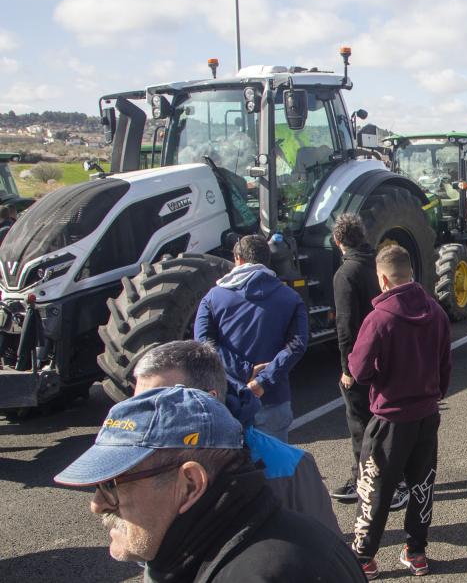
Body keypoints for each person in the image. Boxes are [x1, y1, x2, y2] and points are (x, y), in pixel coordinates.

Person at [54, 386, 363, 582]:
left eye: (112, 484)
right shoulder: (249, 539)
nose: (97, 505)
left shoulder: (260, 573)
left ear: (190, 483)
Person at [130, 340, 340, 535]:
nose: (145, 417)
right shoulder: (138, 464)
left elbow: (328, 557)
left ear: (208, 400)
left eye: (160, 404)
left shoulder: (290, 468)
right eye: (138, 405)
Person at [348, 245, 451, 578]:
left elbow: (360, 372)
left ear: (382, 278)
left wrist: (380, 376)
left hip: (390, 418)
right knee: (422, 484)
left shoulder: (379, 318)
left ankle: (364, 558)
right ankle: (416, 552)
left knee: (375, 489)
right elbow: (445, 366)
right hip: (426, 414)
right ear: (410, 272)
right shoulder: (436, 311)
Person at [194, 234, 308, 442]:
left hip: (228, 398)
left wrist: (244, 370)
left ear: (237, 258)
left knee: (233, 470)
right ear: (268, 260)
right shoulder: (291, 298)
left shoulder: (212, 298)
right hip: (273, 398)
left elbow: (204, 344)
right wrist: (263, 381)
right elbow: (297, 345)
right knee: (274, 469)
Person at [329, 214, 403, 509]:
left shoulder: (346, 274)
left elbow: (345, 326)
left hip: (363, 360)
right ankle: (397, 476)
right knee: (387, 421)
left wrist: (348, 369)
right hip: (390, 355)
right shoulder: (380, 264)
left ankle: (365, 479)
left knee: (360, 422)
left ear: (338, 241)